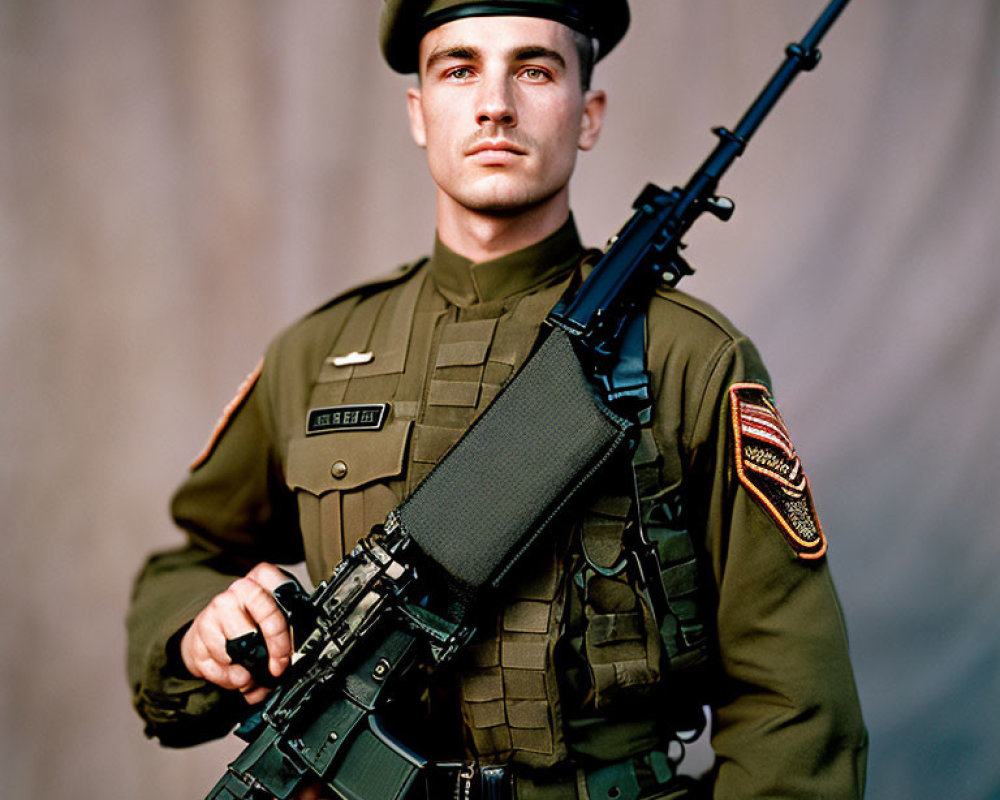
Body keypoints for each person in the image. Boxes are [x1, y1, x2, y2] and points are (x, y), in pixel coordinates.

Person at [127, 1, 868, 798]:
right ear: (419, 111)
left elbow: (796, 700)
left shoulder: (688, 359)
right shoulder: (315, 356)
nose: (495, 104)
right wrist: (203, 628)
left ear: (588, 114)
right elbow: (189, 557)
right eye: (459, 68)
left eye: (534, 68)